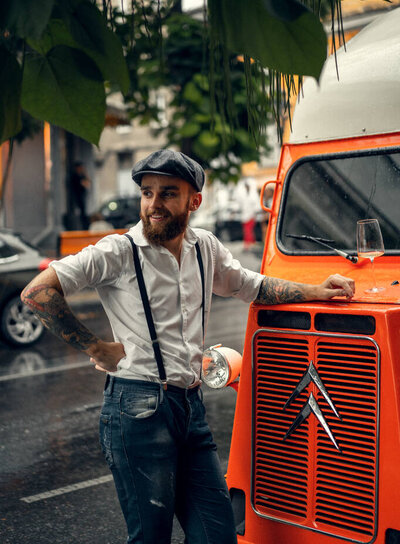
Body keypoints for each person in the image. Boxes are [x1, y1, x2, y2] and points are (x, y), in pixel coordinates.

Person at [21, 150, 355, 544]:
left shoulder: (205, 248)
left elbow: (253, 286)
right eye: (147, 193)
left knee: (217, 535)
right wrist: (95, 347)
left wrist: (318, 290)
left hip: (190, 409)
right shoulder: (117, 251)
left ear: (194, 201)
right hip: (138, 409)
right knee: (151, 537)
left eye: (167, 194)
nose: (154, 204)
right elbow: (38, 292)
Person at [70, 161, 91, 230]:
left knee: (83, 212)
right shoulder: (75, 176)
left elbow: (88, 183)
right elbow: (84, 184)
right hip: (77, 197)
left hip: (82, 196)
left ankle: (84, 226)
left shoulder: (82, 175)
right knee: (80, 213)